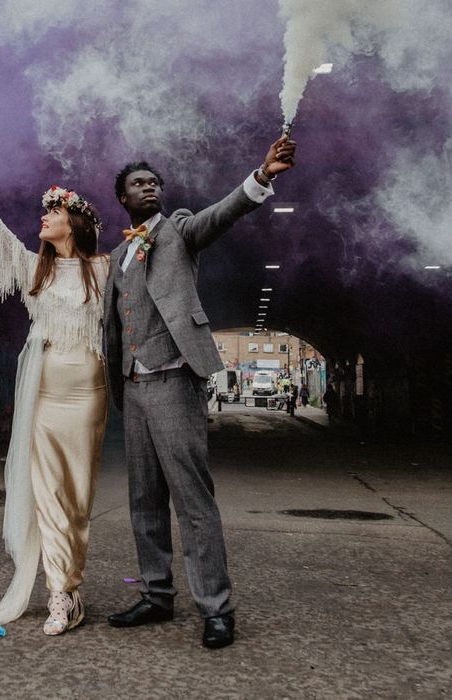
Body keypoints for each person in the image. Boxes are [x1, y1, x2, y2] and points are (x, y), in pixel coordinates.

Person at [104, 135, 296, 649]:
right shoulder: (118, 254)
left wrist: (263, 174)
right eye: (137, 184)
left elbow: (222, 214)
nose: (148, 187)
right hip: (135, 386)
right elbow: (112, 327)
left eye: (153, 182)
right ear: (122, 198)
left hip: (172, 379)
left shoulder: (178, 232)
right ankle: (156, 594)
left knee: (192, 499)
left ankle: (216, 608)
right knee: (143, 499)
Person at [0, 151, 109, 636]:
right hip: (47, 395)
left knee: (77, 496)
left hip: (89, 395)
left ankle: (70, 586)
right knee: (49, 494)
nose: (44, 215)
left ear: (72, 222)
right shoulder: (37, 270)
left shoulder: (105, 271)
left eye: (53, 211)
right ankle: (62, 595)